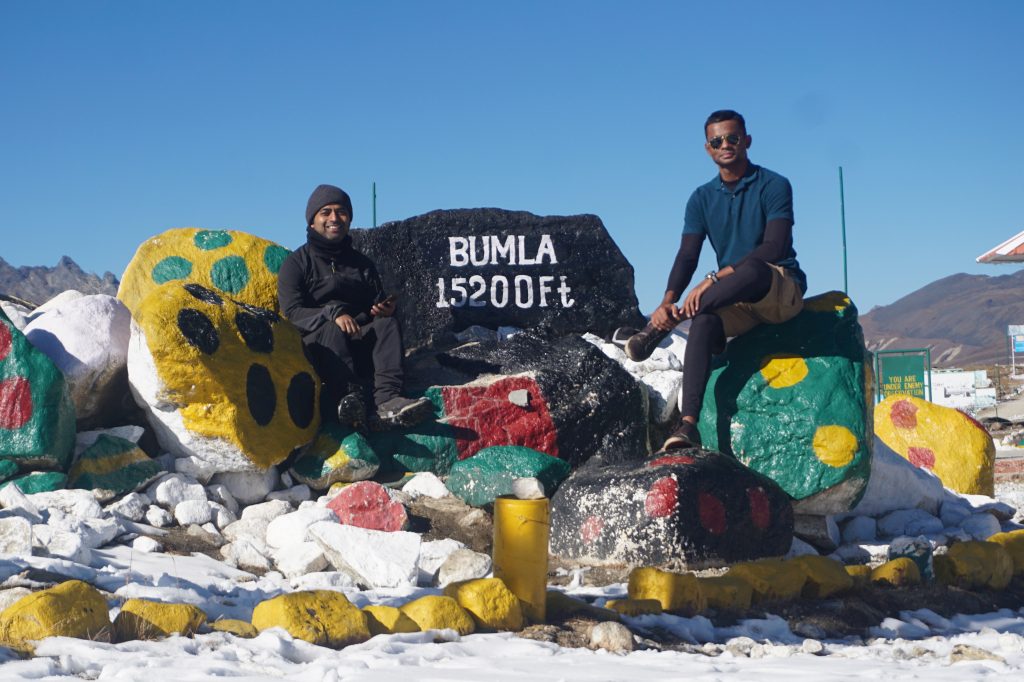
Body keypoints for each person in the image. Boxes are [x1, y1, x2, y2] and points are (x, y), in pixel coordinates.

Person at [624, 110, 807, 451]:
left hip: (777, 288)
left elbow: (774, 246)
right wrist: (668, 299)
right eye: (717, 141)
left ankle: (663, 327)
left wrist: (715, 277)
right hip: (736, 302)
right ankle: (688, 424)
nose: (725, 145)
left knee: (751, 270)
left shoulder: (774, 184)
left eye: (733, 138)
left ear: (747, 141)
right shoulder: (701, 198)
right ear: (707, 149)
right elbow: (687, 255)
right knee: (705, 320)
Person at [277, 184, 433, 429]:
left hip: (358, 342)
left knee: (387, 325)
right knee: (331, 330)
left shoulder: (362, 264)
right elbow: (292, 314)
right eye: (325, 212)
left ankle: (388, 400)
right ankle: (351, 401)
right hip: (319, 349)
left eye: (341, 211)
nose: (334, 218)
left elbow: (374, 304)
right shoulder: (296, 264)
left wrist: (382, 310)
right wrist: (333, 313)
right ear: (311, 221)